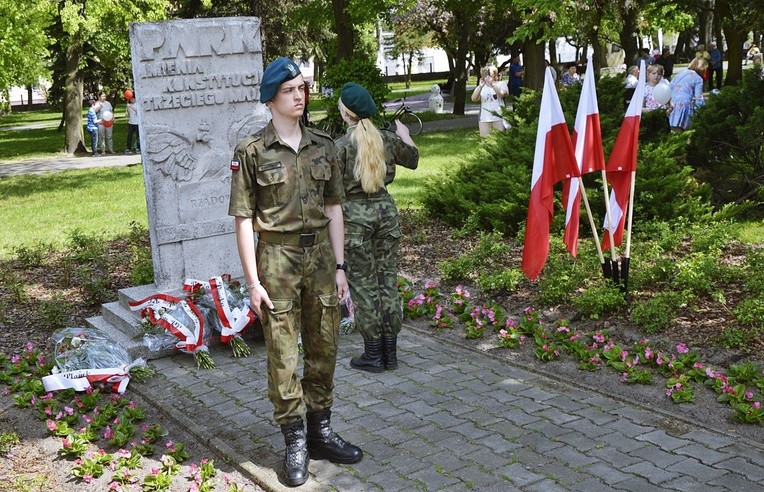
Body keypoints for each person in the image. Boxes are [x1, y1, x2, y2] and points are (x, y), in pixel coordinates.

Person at [228, 57, 363, 487]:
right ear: (271, 99)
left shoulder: (324, 145)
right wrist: (252, 281)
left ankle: (320, 431)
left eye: (302, 89)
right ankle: (295, 439)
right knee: (283, 355)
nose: (299, 96)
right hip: (277, 262)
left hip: (321, 258)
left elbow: (334, 207)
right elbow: (244, 219)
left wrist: (341, 267)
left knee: (324, 346)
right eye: (289, 91)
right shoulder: (251, 152)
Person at [334, 82, 419, 374]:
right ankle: (390, 352)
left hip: (354, 220)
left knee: (363, 285)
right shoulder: (387, 140)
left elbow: (329, 192)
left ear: (346, 114)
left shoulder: (341, 147)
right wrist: (406, 136)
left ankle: (373, 354)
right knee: (386, 280)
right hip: (386, 215)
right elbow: (415, 160)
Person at [668, 56, 708, 132]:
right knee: (684, 131)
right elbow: (698, 97)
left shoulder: (680, 73)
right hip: (685, 105)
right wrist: (701, 110)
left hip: (673, 103)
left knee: (674, 130)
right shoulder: (698, 78)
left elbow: (669, 87)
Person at [470, 64, 509, 137]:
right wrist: (480, 86)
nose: (487, 74)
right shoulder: (481, 87)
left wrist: (492, 83)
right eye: (485, 72)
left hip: (499, 118)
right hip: (484, 118)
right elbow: (474, 99)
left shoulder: (501, 84)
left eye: (489, 73)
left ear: (494, 74)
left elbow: (501, 94)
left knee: (500, 141)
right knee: (486, 143)